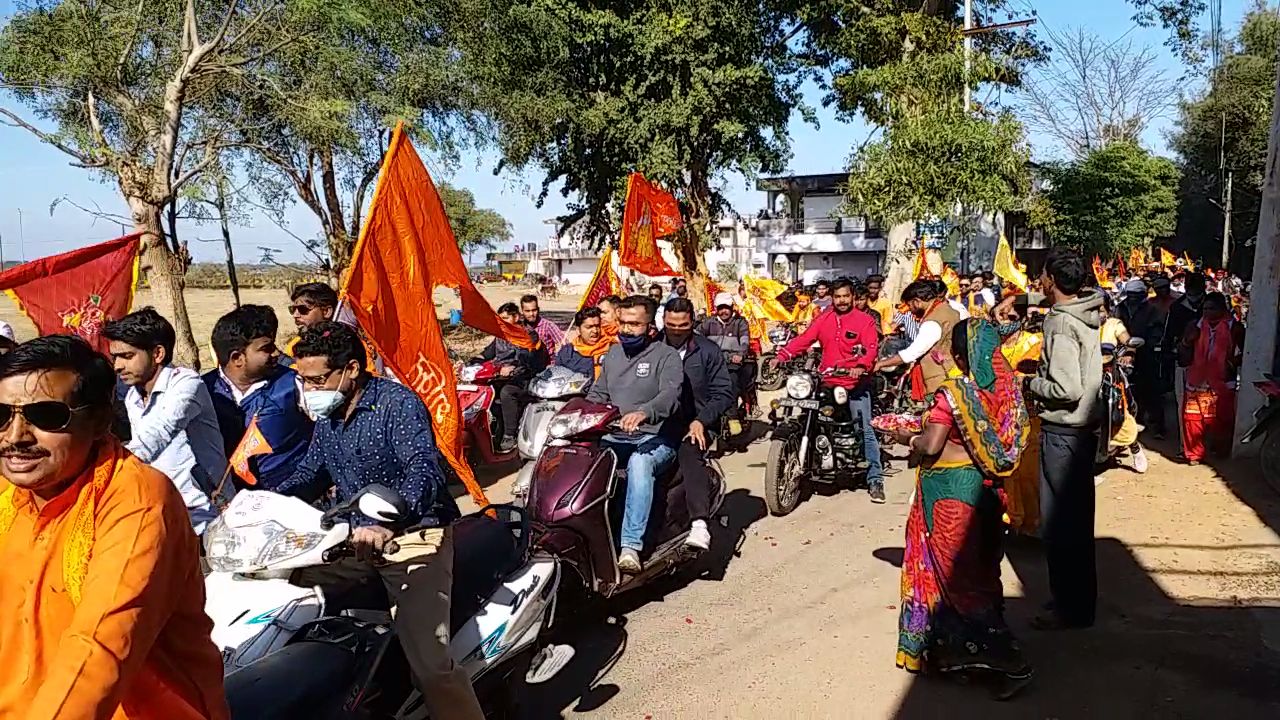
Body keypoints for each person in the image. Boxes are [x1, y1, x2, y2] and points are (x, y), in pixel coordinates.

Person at [0, 335, 228, 719]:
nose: (15, 436)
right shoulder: (9, 492)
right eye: (1, 415)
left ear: (100, 421)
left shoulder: (137, 501)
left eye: (46, 416)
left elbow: (99, 646)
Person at [274, 322, 480, 720]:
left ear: (351, 369)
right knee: (285, 587)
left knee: (431, 666)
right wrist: (263, 502)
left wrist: (389, 519)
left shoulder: (397, 404)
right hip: (353, 539)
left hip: (412, 537)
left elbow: (423, 468)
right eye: (304, 381)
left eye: (318, 380)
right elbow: (311, 472)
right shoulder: (330, 415)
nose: (310, 391)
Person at [891, 319, 1033, 697]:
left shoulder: (953, 394)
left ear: (960, 354)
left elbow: (932, 443)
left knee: (957, 581)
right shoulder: (1007, 394)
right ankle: (960, 655)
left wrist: (907, 436)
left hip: (950, 495)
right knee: (978, 573)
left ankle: (1010, 662)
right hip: (984, 493)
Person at [1026, 247, 1103, 630]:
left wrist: (1031, 382)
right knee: (1077, 522)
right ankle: (1078, 605)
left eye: (1042, 276)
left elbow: (1066, 387)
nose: (1039, 283)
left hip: (1063, 430)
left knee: (1058, 525)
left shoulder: (1060, 323)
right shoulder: (1088, 311)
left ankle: (1067, 608)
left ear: (1052, 281)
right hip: (1083, 428)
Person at [104, 308, 227, 533]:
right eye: (115, 357)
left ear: (158, 354)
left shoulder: (187, 384)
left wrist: (109, 471)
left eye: (127, 356)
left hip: (208, 517)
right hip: (163, 513)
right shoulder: (132, 395)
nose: (117, 366)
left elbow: (159, 432)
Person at [586, 296, 683, 572]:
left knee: (640, 463)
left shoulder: (667, 357)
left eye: (634, 324)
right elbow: (598, 393)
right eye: (623, 323)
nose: (626, 329)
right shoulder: (614, 354)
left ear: (651, 327)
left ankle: (630, 547)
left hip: (655, 438)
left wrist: (645, 411)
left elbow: (670, 395)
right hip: (613, 437)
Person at [771, 279, 884, 502]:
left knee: (865, 428)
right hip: (828, 379)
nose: (841, 300)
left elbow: (871, 348)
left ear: (852, 297)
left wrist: (860, 367)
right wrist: (782, 355)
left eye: (845, 296)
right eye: (837, 296)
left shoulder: (865, 321)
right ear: (832, 297)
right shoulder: (824, 318)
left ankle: (875, 479)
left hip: (855, 384)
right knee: (807, 412)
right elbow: (805, 339)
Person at [203, 305, 313, 490]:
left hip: (291, 499)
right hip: (228, 502)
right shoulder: (202, 391)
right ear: (237, 358)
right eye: (266, 348)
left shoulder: (297, 384)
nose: (276, 353)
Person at [659, 298, 734, 551]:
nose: (677, 330)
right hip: (656, 423)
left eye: (683, 325)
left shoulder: (708, 351)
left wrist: (701, 420)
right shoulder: (652, 347)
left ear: (692, 323)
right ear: (663, 322)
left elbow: (724, 393)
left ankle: (699, 524)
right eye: (671, 325)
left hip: (696, 425)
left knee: (690, 452)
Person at [1180, 293, 1245, 465]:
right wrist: (1187, 342)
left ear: (1222, 309)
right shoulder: (1195, 326)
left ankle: (1220, 449)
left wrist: (1231, 362)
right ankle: (1194, 454)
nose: (1207, 312)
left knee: (1221, 420)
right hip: (1196, 381)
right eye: (1205, 308)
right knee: (1191, 419)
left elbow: (1246, 351)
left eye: (1212, 308)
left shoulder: (1235, 328)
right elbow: (1183, 354)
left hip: (1222, 382)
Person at [874, 280, 963, 397]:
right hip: (953, 371)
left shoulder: (933, 320)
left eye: (909, 305)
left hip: (939, 377)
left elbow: (912, 353)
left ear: (917, 302)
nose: (910, 310)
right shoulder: (950, 310)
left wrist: (881, 364)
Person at [480, 302, 548, 453]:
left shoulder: (528, 334)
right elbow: (487, 354)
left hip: (525, 378)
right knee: (485, 391)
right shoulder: (501, 335)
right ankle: (493, 428)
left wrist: (513, 368)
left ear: (516, 317)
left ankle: (509, 435)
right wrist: (471, 362)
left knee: (507, 392)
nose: (501, 322)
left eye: (505, 318)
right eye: (500, 318)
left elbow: (527, 358)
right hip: (500, 377)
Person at [1117, 278, 1169, 438]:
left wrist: (1147, 344)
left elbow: (1157, 331)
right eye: (1130, 294)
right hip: (1123, 355)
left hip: (1147, 353)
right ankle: (1132, 424)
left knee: (1152, 391)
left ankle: (1158, 427)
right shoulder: (1120, 308)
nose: (1132, 298)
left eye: (1136, 295)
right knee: (1127, 391)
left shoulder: (1152, 310)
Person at [699, 293, 756, 418]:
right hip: (711, 362)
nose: (723, 311)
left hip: (732, 363)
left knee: (731, 385)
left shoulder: (740, 323)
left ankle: (732, 417)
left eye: (726, 308)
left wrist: (740, 354)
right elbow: (697, 339)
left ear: (732, 308)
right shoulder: (708, 322)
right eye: (720, 308)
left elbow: (745, 342)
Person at [555, 306, 613, 386]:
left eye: (597, 326)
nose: (595, 331)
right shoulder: (567, 353)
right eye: (589, 327)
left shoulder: (612, 348)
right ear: (578, 330)